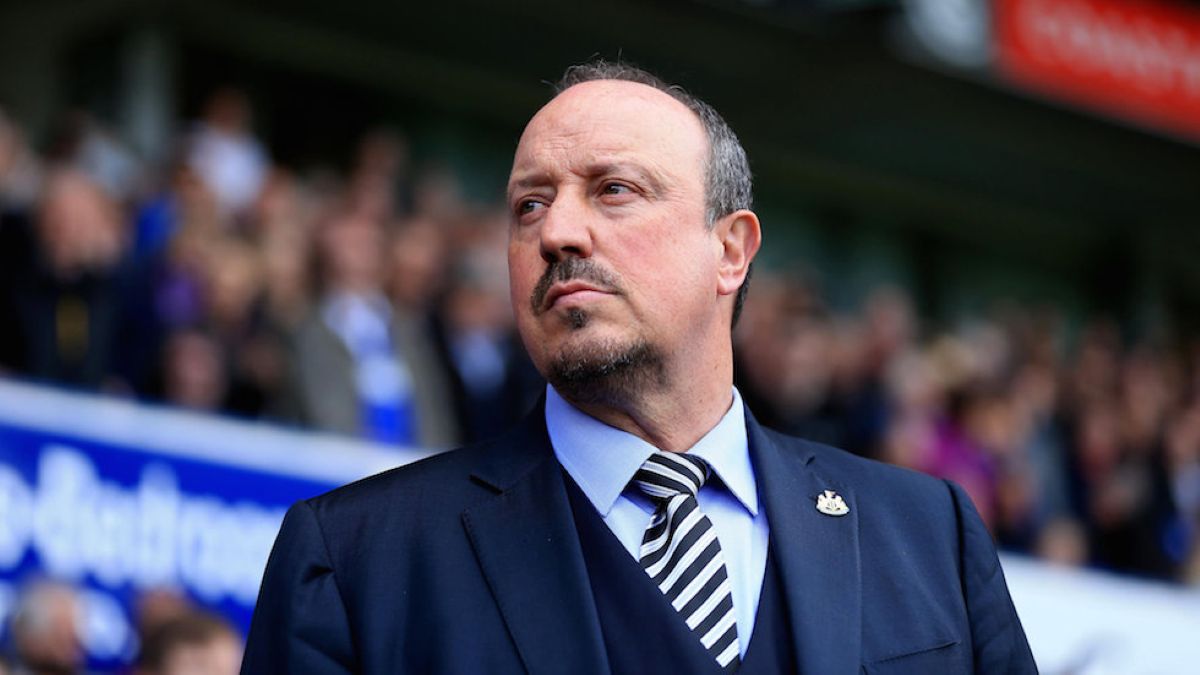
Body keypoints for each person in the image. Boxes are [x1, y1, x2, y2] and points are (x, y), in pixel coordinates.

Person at [242, 60, 1036, 674]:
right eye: (528, 204)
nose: (557, 232)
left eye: (613, 189)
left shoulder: (929, 534)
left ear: (731, 250)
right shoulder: (356, 559)